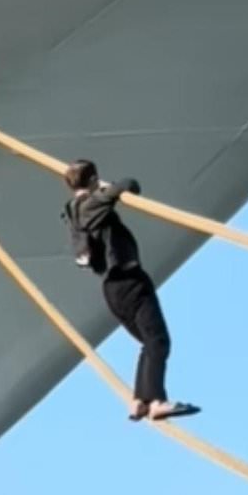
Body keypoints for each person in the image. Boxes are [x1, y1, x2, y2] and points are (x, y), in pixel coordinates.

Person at [63, 160, 197, 421]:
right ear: (92, 179)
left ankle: (139, 401)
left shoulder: (71, 212)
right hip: (129, 278)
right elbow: (130, 185)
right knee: (158, 340)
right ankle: (157, 401)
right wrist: (105, 187)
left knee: (148, 342)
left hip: (111, 288)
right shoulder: (92, 204)